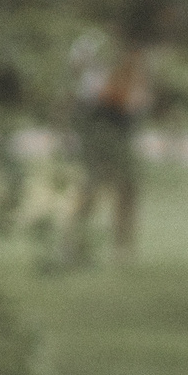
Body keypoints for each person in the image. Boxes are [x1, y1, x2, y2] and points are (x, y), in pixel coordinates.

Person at [65, 35, 154, 264]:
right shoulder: (97, 41)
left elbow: (140, 90)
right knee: (93, 184)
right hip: (99, 119)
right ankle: (74, 243)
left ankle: (122, 249)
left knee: (127, 187)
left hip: (123, 123)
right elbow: (79, 74)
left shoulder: (131, 48)